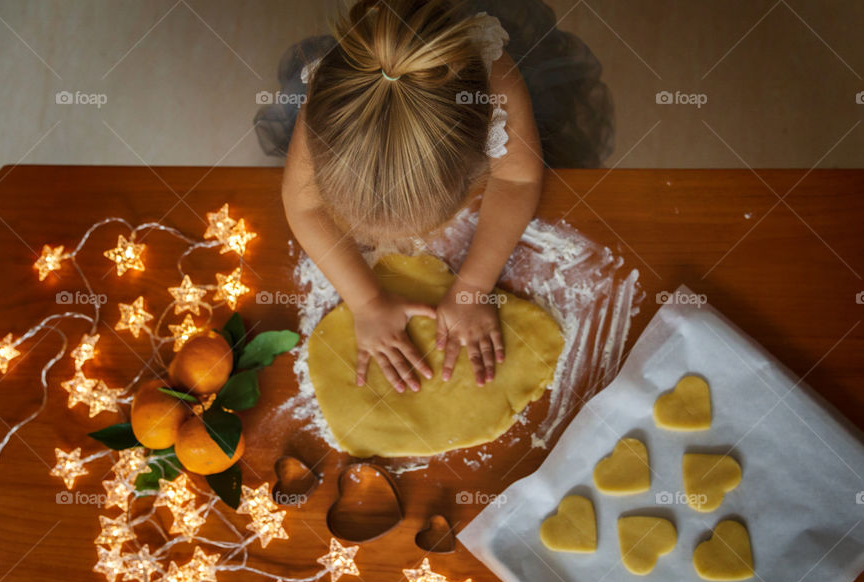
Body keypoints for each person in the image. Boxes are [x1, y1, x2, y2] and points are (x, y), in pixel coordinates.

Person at [261, 0, 614, 393]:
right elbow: (303, 204)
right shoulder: (332, 107)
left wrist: (474, 287)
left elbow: (516, 181)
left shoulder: (493, 86)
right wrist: (366, 303)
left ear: (481, 154)